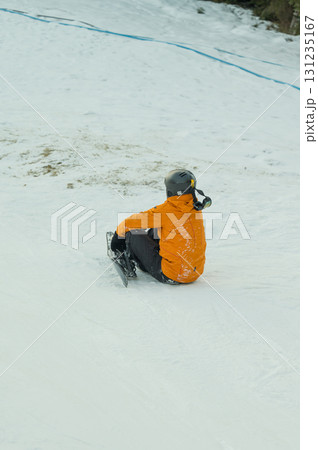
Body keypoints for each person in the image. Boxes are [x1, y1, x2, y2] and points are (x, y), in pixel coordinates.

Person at [111, 169, 211, 284]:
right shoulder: (196, 207)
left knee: (133, 233)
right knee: (159, 228)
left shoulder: (166, 211)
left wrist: (116, 239)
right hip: (195, 272)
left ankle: (129, 256)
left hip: (171, 274)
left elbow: (130, 223)